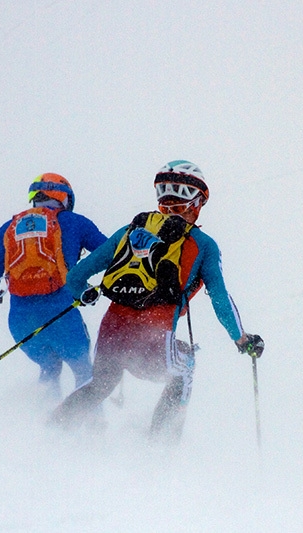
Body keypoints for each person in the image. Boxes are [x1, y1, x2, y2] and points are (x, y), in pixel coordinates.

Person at [50, 160, 264, 445]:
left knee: (100, 386)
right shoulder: (203, 244)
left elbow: (75, 276)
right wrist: (242, 340)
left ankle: (50, 432)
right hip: (153, 334)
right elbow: (220, 299)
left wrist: (85, 294)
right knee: (184, 370)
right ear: (197, 202)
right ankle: (160, 452)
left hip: (112, 328)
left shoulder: (131, 229)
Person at [0, 173, 108, 399]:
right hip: (61, 314)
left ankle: (43, 421)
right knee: (83, 370)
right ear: (65, 198)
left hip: (21, 321)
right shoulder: (74, 222)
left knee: (49, 368)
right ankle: (91, 426)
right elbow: (109, 253)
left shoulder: (9, 227)